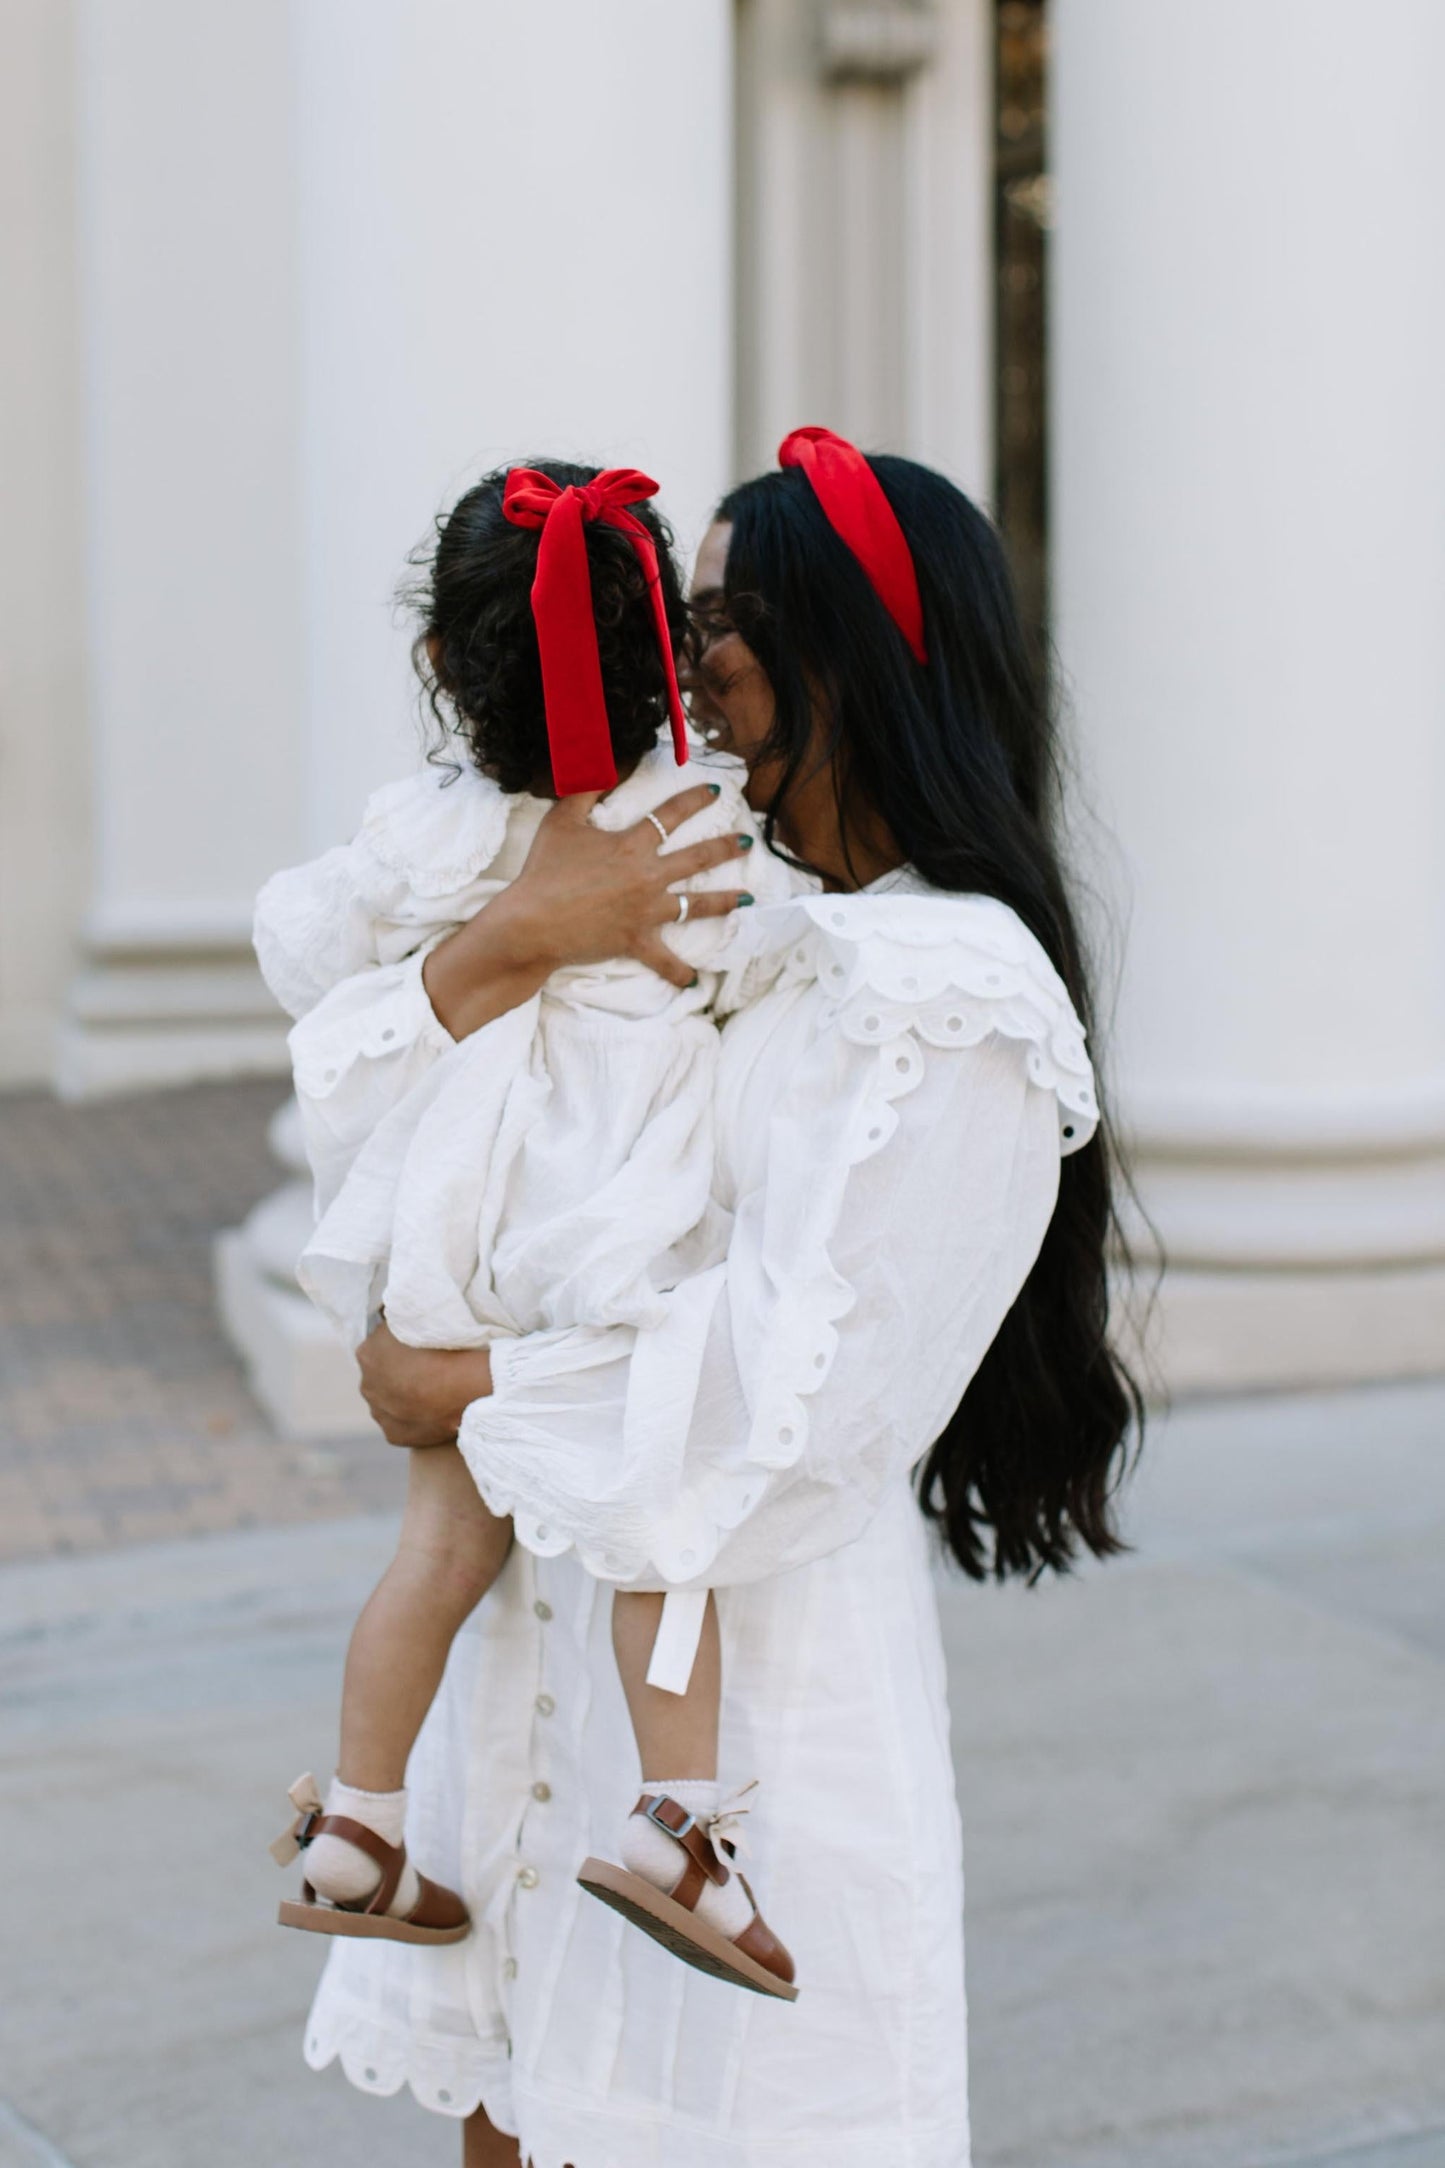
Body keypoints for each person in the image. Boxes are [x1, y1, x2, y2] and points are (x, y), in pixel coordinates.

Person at [300, 428, 1141, 2168]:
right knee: (511, 2120)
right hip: (548, 1701)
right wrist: (515, 936)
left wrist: (453, 1386)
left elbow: (796, 1404)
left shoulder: (946, 989)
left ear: (834, 662)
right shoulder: (722, 913)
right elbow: (424, 1117)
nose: (684, 686)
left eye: (720, 646)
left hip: (743, 1745)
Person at [254, 461, 801, 1995]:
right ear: (672, 666)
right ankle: (674, 1821)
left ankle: (358, 1833)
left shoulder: (419, 833)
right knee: (661, 1513)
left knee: (435, 1544)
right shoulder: (688, 822)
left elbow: (302, 944)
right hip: (607, 1235)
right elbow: (759, 968)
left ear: (441, 664)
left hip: (455, 1232)